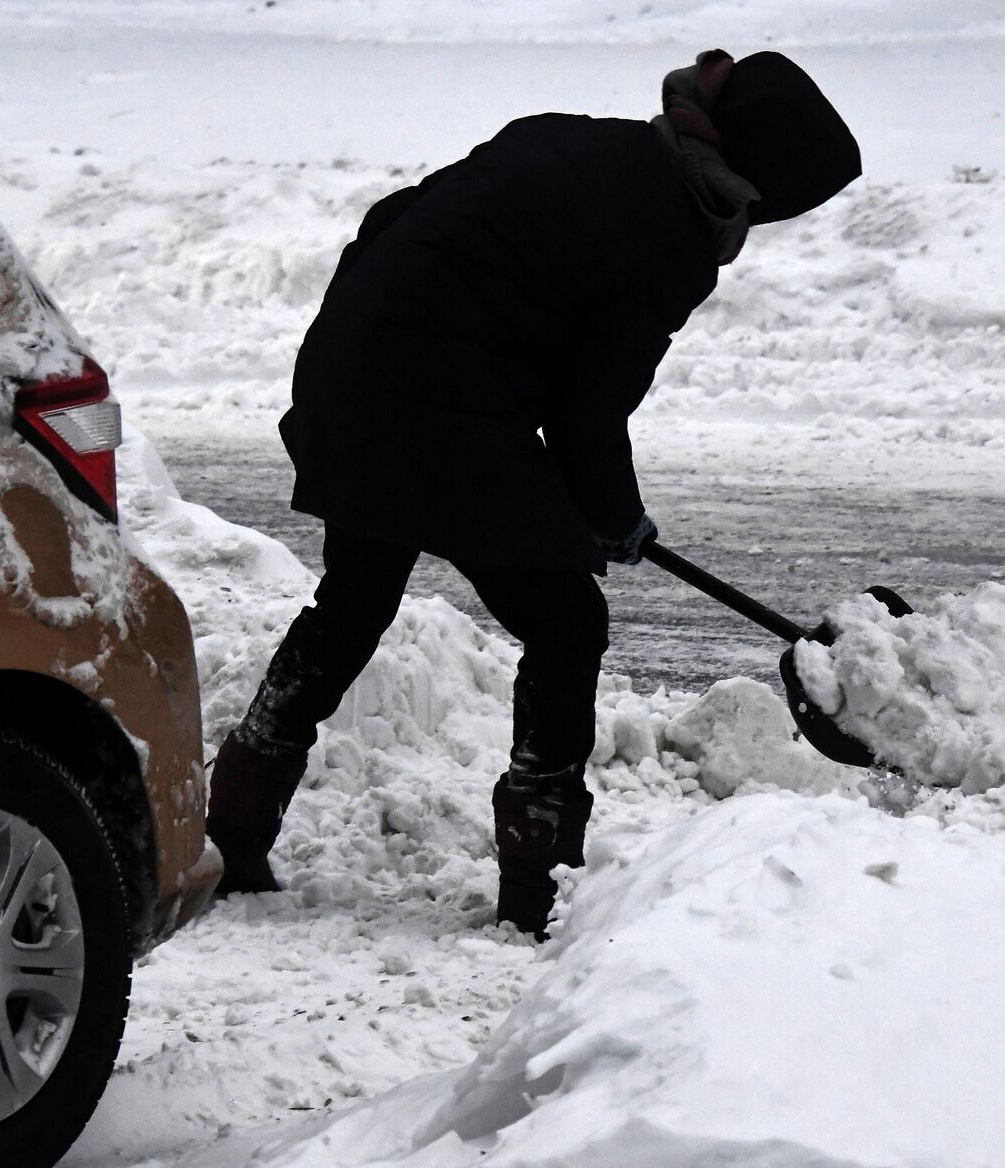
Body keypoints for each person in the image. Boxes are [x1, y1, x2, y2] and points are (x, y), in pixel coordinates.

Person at [205, 49, 863, 935]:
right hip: (439, 397)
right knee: (567, 622)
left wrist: (580, 497)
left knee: (354, 600)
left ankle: (231, 831)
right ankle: (537, 883)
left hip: (354, 364)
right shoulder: (669, 232)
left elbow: (399, 220)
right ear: (759, 185)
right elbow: (589, 411)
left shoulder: (581, 144)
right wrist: (615, 515)